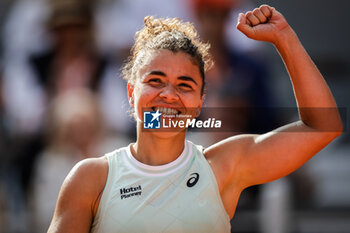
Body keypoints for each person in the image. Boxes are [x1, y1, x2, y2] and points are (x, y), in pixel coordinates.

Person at [48, 4, 343, 232]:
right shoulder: (90, 178)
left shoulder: (224, 166)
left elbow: (323, 126)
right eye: (155, 80)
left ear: (199, 104)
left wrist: (284, 39)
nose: (169, 94)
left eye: (185, 85)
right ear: (130, 93)